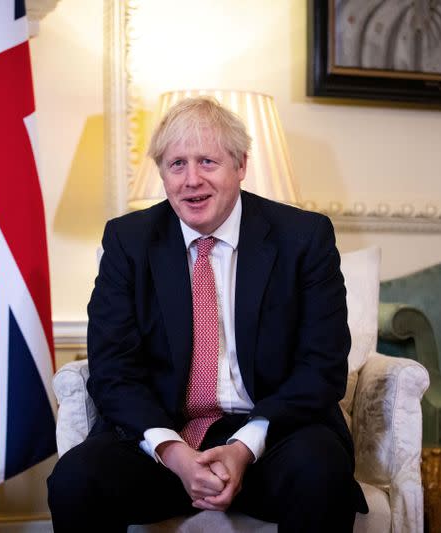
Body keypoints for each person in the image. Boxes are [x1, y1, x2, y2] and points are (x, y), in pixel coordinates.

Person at [47, 97, 367, 532]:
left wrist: (242, 447)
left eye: (208, 162)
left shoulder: (303, 239)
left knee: (321, 471)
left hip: (272, 437)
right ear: (162, 173)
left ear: (240, 165)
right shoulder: (129, 241)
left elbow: (322, 367)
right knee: (75, 479)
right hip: (164, 441)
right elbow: (113, 370)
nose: (191, 180)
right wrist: (173, 453)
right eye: (176, 164)